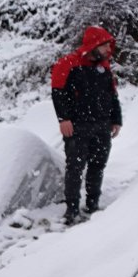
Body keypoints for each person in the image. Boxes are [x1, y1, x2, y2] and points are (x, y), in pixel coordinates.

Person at [52, 25, 122, 225]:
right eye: (105, 45)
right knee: (75, 168)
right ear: (94, 45)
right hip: (77, 126)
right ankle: (72, 210)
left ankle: (92, 205)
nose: (109, 49)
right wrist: (63, 119)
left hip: (102, 125)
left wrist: (116, 120)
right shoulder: (68, 64)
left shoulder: (104, 67)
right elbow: (58, 93)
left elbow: (112, 94)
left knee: (98, 165)